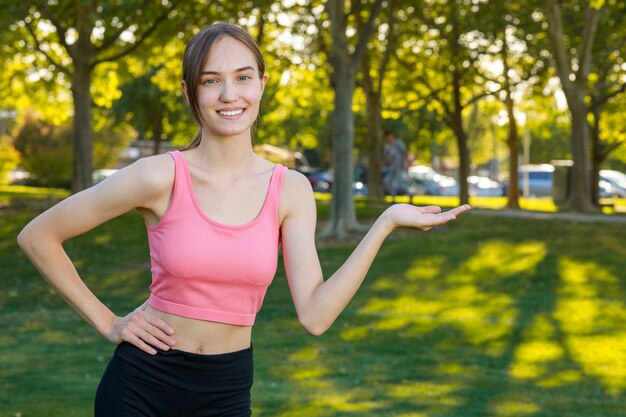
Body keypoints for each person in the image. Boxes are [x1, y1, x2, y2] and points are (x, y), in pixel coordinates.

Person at [16, 22, 471, 417]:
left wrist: (385, 222)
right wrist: (108, 321)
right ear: (190, 91)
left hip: (227, 390)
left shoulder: (290, 189)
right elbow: (39, 236)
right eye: (211, 80)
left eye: (243, 77)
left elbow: (315, 314)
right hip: (142, 385)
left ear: (261, 84)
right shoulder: (160, 176)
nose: (229, 95)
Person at [382, 130, 409, 202]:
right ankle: (393, 198)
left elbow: (405, 152)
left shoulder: (398, 143)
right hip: (392, 168)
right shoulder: (387, 147)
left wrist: (404, 163)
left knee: (401, 182)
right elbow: (387, 158)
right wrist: (381, 163)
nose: (388, 138)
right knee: (388, 182)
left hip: (399, 167)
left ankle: (409, 195)